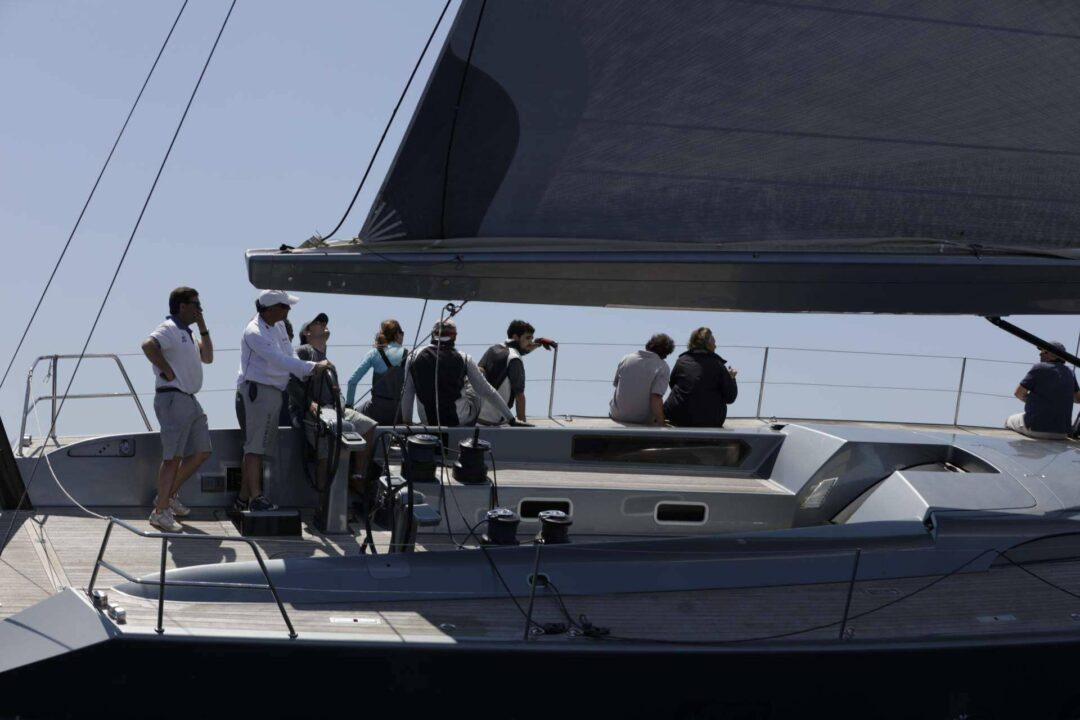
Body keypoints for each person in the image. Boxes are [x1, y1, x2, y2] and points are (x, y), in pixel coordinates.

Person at [236, 290, 330, 511]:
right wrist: (313, 367)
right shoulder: (254, 332)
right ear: (271, 309)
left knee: (257, 447)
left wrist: (306, 371)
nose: (289, 310)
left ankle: (243, 499)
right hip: (257, 392)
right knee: (255, 448)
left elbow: (289, 353)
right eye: (286, 306)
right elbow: (278, 360)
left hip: (272, 392)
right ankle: (256, 498)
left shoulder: (278, 326)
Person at [140, 287, 214, 532]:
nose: (199, 309)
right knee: (172, 458)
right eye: (196, 304)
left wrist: (203, 325)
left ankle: (167, 496)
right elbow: (148, 345)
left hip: (190, 399)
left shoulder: (189, 334)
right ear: (182, 306)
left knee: (203, 450)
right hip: (173, 398)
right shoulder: (170, 328)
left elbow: (209, 357)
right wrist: (166, 370)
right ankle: (160, 511)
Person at [288, 313, 378, 497]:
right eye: (318, 322)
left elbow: (338, 392)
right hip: (313, 414)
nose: (323, 325)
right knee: (325, 455)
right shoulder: (303, 352)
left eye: (325, 322)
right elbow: (290, 381)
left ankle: (357, 476)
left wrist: (341, 405)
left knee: (368, 426)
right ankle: (325, 504)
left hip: (335, 410)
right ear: (307, 332)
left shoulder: (330, 362)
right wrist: (309, 404)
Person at [401, 319, 517, 427]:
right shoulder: (464, 358)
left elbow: (407, 392)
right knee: (477, 377)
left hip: (428, 420)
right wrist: (511, 418)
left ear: (432, 334)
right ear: (455, 336)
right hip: (460, 419)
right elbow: (486, 390)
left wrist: (407, 423)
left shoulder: (413, 356)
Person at [477, 320, 555, 425]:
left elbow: (520, 349)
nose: (530, 343)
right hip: (495, 421)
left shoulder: (493, 349)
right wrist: (522, 427)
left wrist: (538, 343)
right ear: (515, 337)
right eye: (528, 338)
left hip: (477, 415)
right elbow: (519, 396)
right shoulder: (514, 359)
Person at [663, 327, 738, 427]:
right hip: (709, 420)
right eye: (714, 343)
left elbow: (673, 384)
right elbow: (730, 397)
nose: (716, 346)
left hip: (678, 417)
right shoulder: (718, 365)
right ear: (707, 345)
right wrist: (732, 378)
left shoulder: (682, 361)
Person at [1005, 342, 1080, 440]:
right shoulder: (1070, 373)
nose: (1040, 354)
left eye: (1044, 351)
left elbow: (1018, 393)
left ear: (1052, 355)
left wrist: (1037, 401)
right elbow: (1078, 399)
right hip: (1062, 433)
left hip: (1036, 429)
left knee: (1009, 420)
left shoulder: (1039, 368)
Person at [345, 319, 408, 424]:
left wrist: (349, 407)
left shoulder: (374, 353)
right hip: (398, 413)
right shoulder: (409, 355)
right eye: (402, 333)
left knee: (352, 420)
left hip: (375, 411)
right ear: (397, 334)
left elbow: (352, 381)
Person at [609, 333, 674, 426]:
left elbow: (617, 384)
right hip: (643, 419)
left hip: (617, 415)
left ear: (649, 345)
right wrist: (661, 423)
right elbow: (656, 397)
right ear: (666, 354)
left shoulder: (626, 358)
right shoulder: (662, 367)